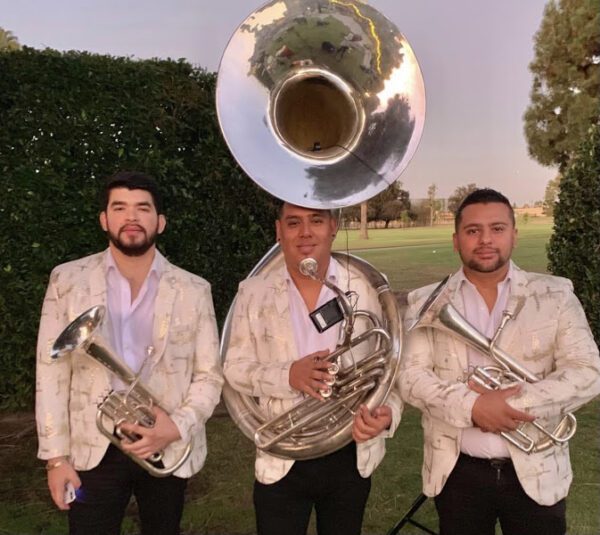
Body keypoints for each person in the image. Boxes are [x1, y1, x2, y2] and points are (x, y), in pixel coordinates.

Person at [399, 188, 600, 535]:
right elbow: (410, 377)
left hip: (538, 472)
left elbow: (587, 371)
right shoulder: (424, 303)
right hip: (458, 472)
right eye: (473, 230)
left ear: (514, 235)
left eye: (497, 228)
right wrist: (473, 407)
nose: (485, 240)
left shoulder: (556, 295)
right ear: (456, 240)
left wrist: (508, 405)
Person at [35, 171, 224, 535]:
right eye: (119, 207)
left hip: (165, 441)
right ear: (104, 219)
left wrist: (177, 425)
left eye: (143, 208)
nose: (132, 218)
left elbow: (209, 375)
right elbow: (51, 371)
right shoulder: (66, 280)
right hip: (94, 446)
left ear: (161, 221)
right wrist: (56, 459)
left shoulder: (193, 289)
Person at [223, 202, 402, 535]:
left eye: (316, 221)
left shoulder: (367, 285)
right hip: (283, 456)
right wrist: (288, 375)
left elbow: (390, 368)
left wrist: (387, 414)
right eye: (293, 223)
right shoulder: (253, 292)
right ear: (279, 230)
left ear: (333, 226)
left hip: (350, 454)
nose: (305, 232)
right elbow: (233, 368)